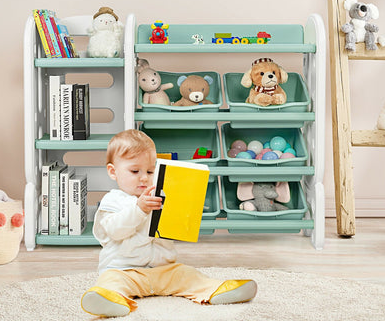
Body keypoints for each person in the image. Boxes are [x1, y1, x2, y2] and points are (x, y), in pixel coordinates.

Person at [81, 129, 257, 317]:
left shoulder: (160, 195)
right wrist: (139, 209)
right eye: (134, 171)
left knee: (187, 274)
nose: (143, 177)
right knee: (110, 280)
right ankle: (108, 299)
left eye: (150, 171)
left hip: (162, 270)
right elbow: (114, 230)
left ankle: (216, 290)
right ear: (113, 172)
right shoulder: (113, 200)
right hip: (124, 271)